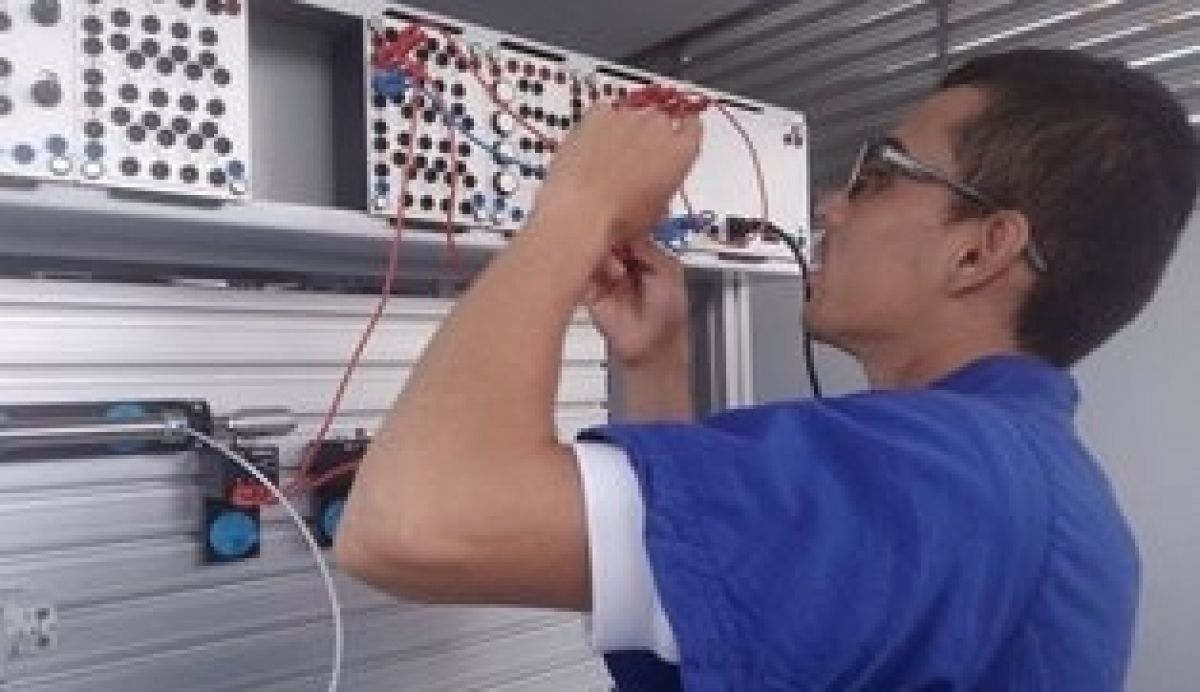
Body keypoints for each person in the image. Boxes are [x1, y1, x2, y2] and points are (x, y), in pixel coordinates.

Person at [334, 48, 1199, 690]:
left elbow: (413, 523)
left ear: (979, 250)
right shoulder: (1019, 480)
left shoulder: (942, 470)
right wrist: (656, 363)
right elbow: (702, 602)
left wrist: (576, 207)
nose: (830, 205)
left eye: (877, 175)